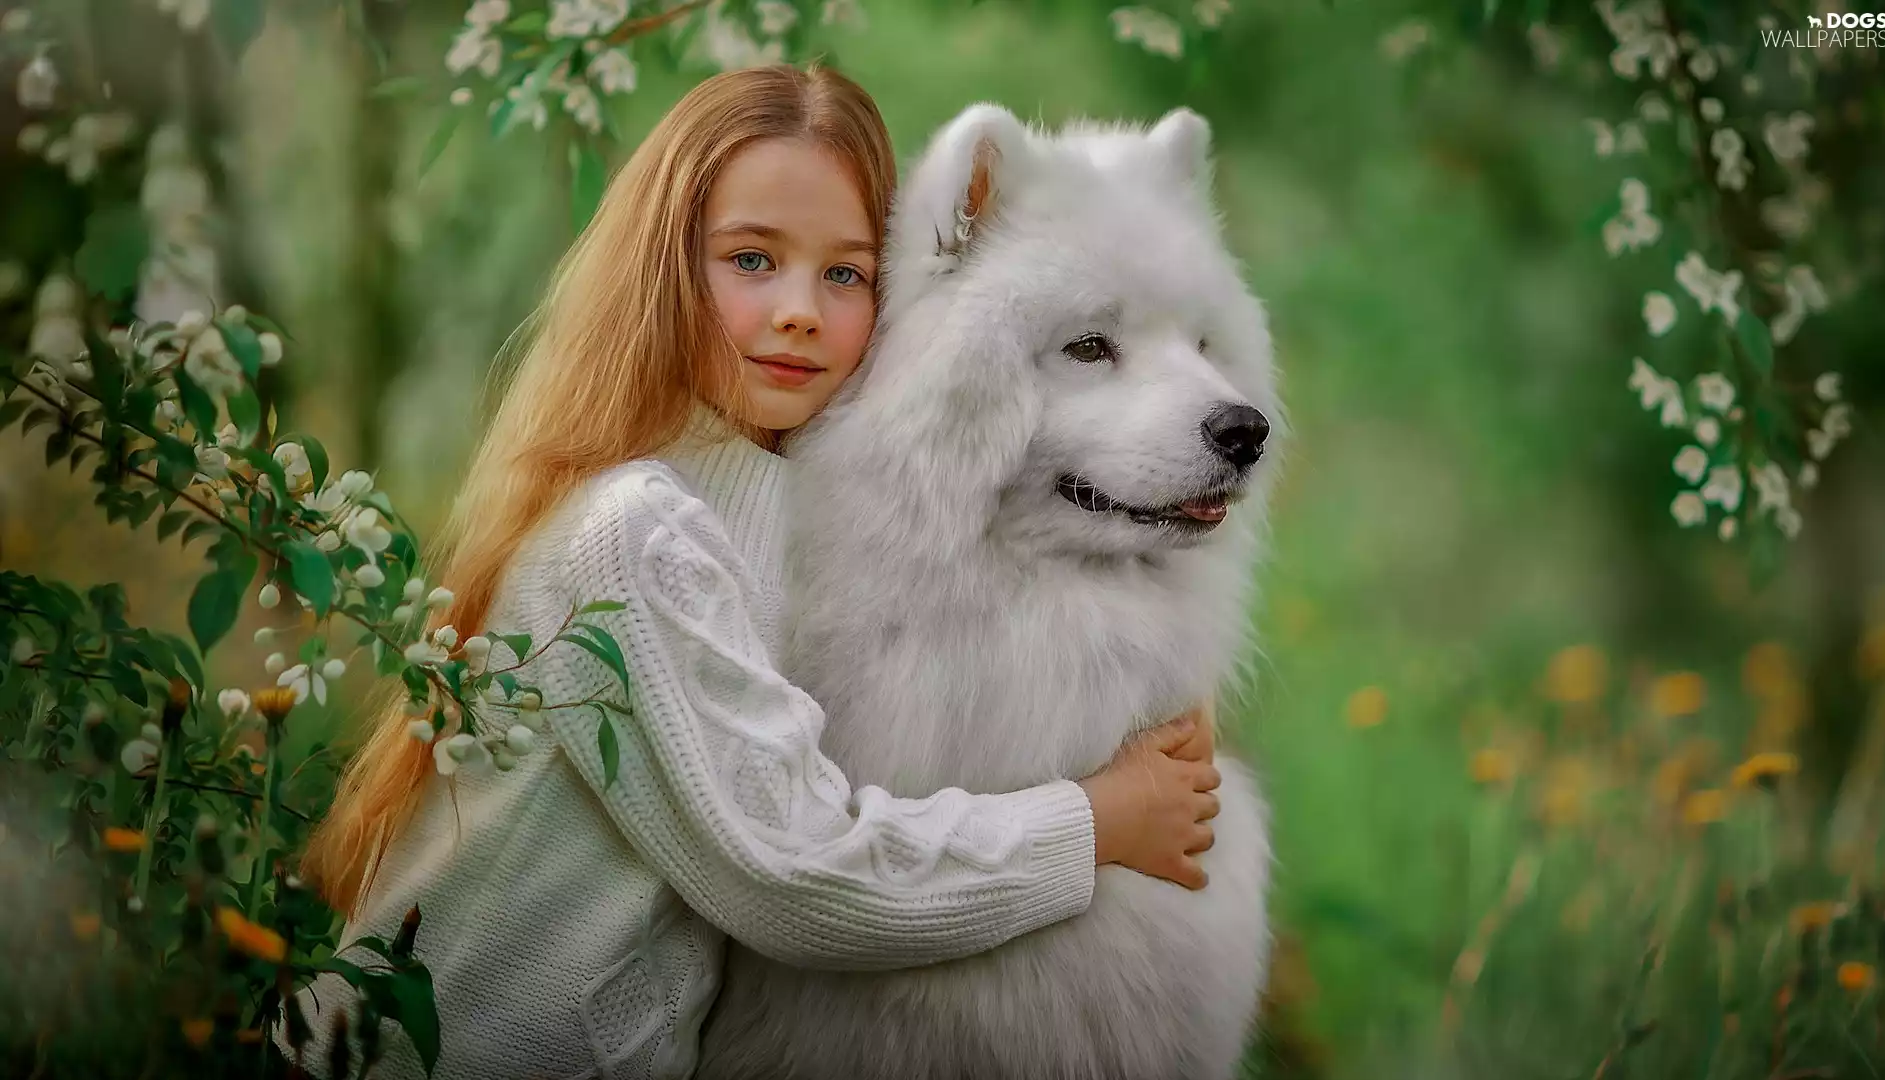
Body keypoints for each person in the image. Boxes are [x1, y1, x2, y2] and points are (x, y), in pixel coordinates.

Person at [286, 63, 1222, 1079]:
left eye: (846, 274)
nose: (799, 312)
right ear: (663, 270)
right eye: (750, 260)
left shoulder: (764, 517)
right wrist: (1093, 823)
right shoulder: (638, 532)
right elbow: (790, 870)